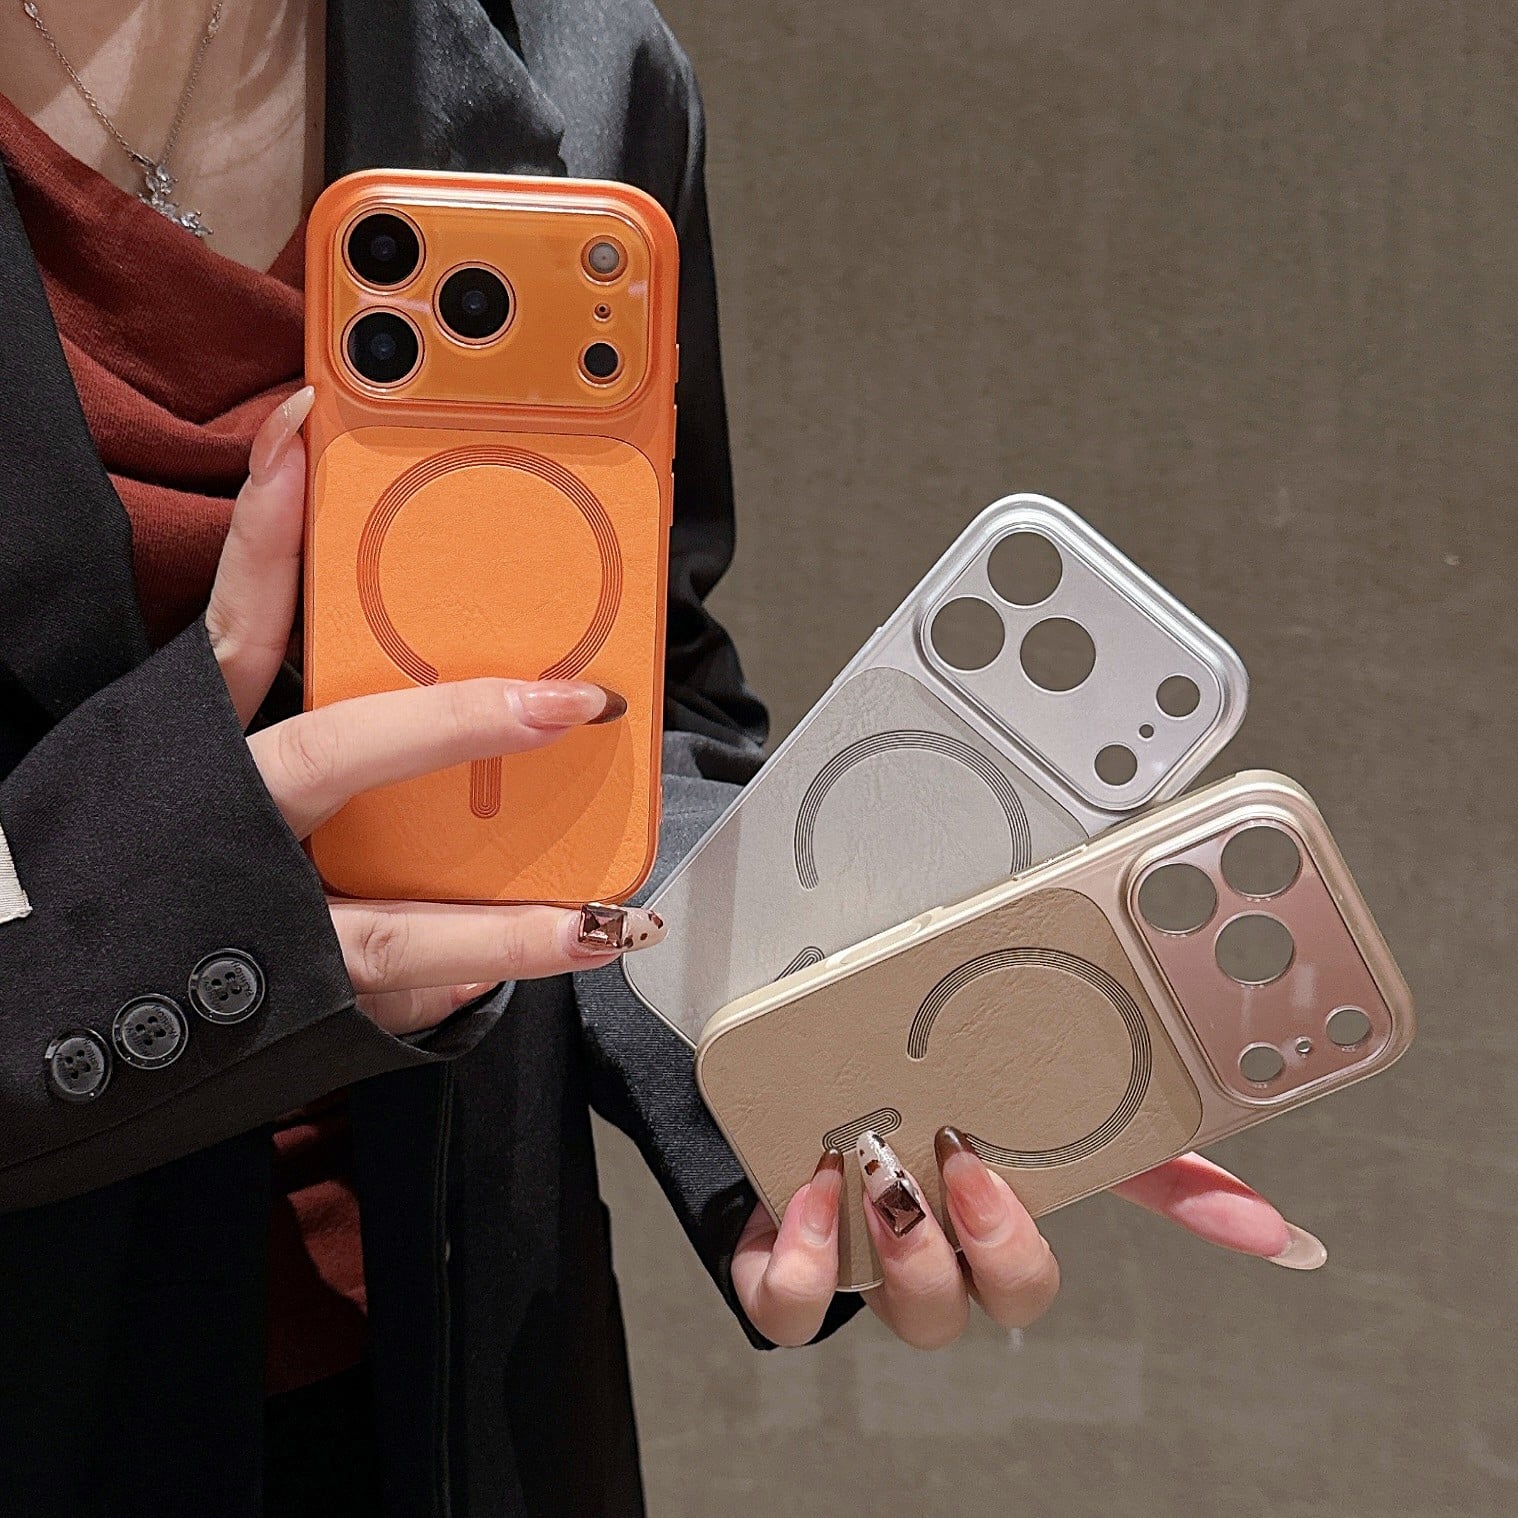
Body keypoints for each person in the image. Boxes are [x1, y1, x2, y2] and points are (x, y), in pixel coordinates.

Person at [0, 2, 1323, 1514]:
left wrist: (806, 1046)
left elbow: (634, 709)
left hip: (441, 1365)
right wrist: (135, 888)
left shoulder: (581, 59)